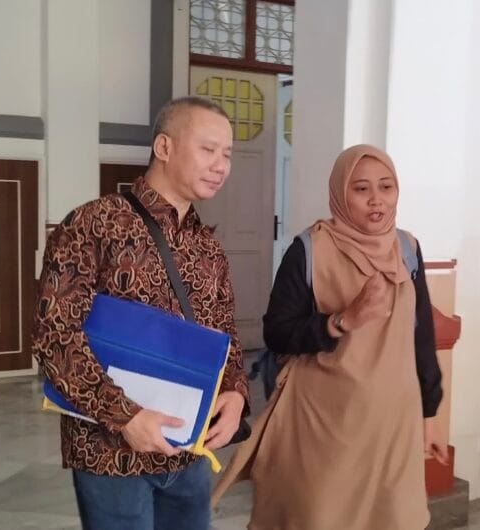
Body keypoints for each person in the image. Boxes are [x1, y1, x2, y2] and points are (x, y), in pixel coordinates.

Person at [32, 96, 249, 530]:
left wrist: (235, 392)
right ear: (164, 147)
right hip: (110, 453)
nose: (221, 165)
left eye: (227, 154)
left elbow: (224, 331)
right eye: (208, 149)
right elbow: (54, 335)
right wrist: (125, 416)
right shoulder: (94, 224)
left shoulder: (207, 246)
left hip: (186, 448)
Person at [212, 144, 447, 530]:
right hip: (325, 424)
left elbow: (421, 335)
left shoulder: (407, 248)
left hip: (393, 423)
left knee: (391, 519)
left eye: (386, 187)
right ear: (340, 193)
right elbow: (277, 333)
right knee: (319, 517)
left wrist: (430, 414)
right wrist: (341, 321)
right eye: (361, 189)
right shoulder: (309, 250)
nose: (377, 200)